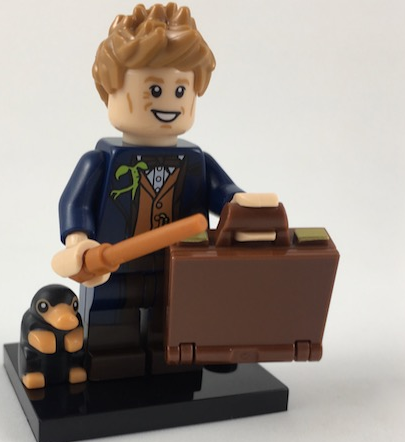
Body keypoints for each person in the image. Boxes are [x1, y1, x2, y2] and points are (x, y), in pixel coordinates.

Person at [52, 3, 277, 381]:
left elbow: (222, 190)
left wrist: (241, 204)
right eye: (154, 89)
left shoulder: (195, 161)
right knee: (111, 331)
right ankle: (113, 369)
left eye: (180, 90)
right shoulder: (102, 161)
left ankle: (170, 368)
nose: (169, 102)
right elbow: (75, 202)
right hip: (115, 266)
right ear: (111, 90)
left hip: (180, 268)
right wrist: (78, 243)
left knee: (173, 329)